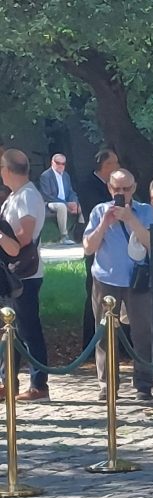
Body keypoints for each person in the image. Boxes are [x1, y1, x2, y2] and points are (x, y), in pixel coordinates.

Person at [82, 169, 153, 401]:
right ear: (109, 189)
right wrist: (105, 223)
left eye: (126, 189)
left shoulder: (145, 211)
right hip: (106, 280)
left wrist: (130, 219)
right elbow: (88, 247)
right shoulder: (98, 211)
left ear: (134, 188)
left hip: (137, 281)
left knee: (143, 333)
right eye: (117, 189)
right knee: (104, 335)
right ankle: (108, 384)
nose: (121, 193)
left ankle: (144, 384)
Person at [0, 150, 49, 403]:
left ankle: (39, 384)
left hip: (25, 276)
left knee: (28, 330)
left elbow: (23, 239)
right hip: (11, 274)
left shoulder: (28, 196)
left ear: (7, 170)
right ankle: (7, 381)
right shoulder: (15, 196)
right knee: (11, 331)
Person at [78, 149, 120, 350]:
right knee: (94, 296)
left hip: (115, 248)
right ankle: (90, 343)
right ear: (105, 165)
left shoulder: (113, 186)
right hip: (96, 243)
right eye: (114, 163)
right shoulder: (88, 185)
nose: (117, 166)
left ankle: (119, 343)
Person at [38, 154, 80, 244]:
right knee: (61, 207)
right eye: (58, 163)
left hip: (65, 202)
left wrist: (74, 202)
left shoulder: (66, 176)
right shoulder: (45, 176)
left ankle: (81, 233)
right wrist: (66, 204)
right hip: (50, 203)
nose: (61, 165)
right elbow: (47, 195)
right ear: (52, 162)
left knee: (80, 205)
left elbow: (71, 191)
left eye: (63, 163)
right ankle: (64, 236)